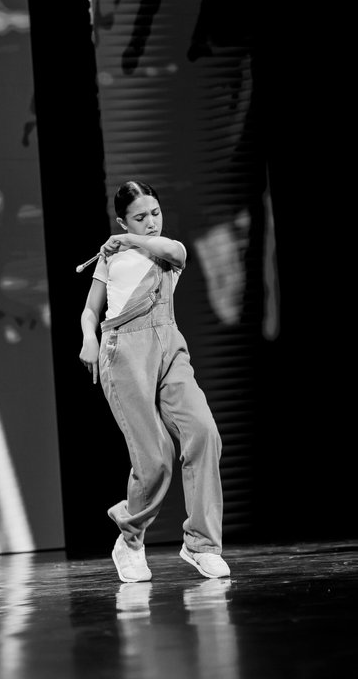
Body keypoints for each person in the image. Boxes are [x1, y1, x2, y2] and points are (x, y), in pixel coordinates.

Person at [79, 180, 230, 583]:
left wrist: (128, 240)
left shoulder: (168, 249)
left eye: (155, 213)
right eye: (139, 217)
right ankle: (129, 542)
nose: (151, 222)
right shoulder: (109, 259)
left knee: (204, 432)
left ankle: (201, 545)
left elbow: (174, 252)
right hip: (123, 352)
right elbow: (91, 311)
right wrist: (88, 338)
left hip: (169, 346)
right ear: (122, 220)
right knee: (155, 459)